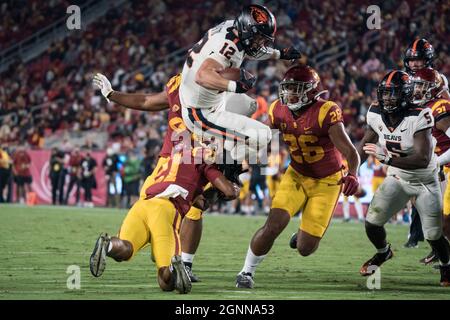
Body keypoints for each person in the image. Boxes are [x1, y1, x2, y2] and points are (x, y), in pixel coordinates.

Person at [93, 72, 255, 281]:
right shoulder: (215, 99)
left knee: (131, 244)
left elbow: (146, 100)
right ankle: (179, 264)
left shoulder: (182, 83)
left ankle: (117, 246)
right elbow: (242, 114)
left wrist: (112, 94)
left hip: (161, 174)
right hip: (194, 168)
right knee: (189, 214)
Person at [235, 65, 361, 288]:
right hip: (297, 175)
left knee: (305, 248)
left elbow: (351, 152)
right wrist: (240, 152)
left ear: (311, 91)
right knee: (273, 225)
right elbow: (262, 138)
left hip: (328, 181)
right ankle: (246, 272)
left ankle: (302, 235)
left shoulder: (326, 111)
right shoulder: (278, 109)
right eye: (288, 88)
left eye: (296, 88)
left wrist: (353, 174)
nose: (290, 93)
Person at [89, 138, 240, 294]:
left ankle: (107, 246)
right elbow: (228, 190)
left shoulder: (179, 155)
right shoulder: (206, 161)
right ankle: (173, 269)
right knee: (165, 282)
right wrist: (233, 190)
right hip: (166, 209)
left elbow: (198, 201)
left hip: (143, 204)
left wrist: (210, 193)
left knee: (125, 249)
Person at [356, 70, 449, 286]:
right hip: (398, 178)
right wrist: (351, 170)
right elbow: (364, 146)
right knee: (372, 223)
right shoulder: (375, 112)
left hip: (425, 180)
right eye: (385, 93)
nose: (388, 98)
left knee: (434, 234)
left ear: (406, 94)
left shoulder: (420, 114)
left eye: (394, 93)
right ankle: (383, 252)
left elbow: (423, 159)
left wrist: (387, 160)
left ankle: (446, 265)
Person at [179, 4, 300, 169]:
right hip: (200, 112)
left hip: (209, 97)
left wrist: (280, 54)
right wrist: (234, 86)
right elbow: (203, 76)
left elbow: (250, 49)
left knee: (250, 105)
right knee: (263, 136)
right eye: (259, 38)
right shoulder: (228, 46)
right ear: (247, 29)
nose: (260, 43)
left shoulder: (233, 28)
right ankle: (226, 166)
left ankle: (227, 147)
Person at [403, 38, 450, 255]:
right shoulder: (407, 81)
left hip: (438, 149)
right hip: (420, 142)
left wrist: (435, 160)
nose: (414, 64)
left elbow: (443, 115)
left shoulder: (438, 88)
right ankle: (433, 244)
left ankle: (430, 243)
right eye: (411, 60)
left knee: (439, 211)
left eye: (419, 60)